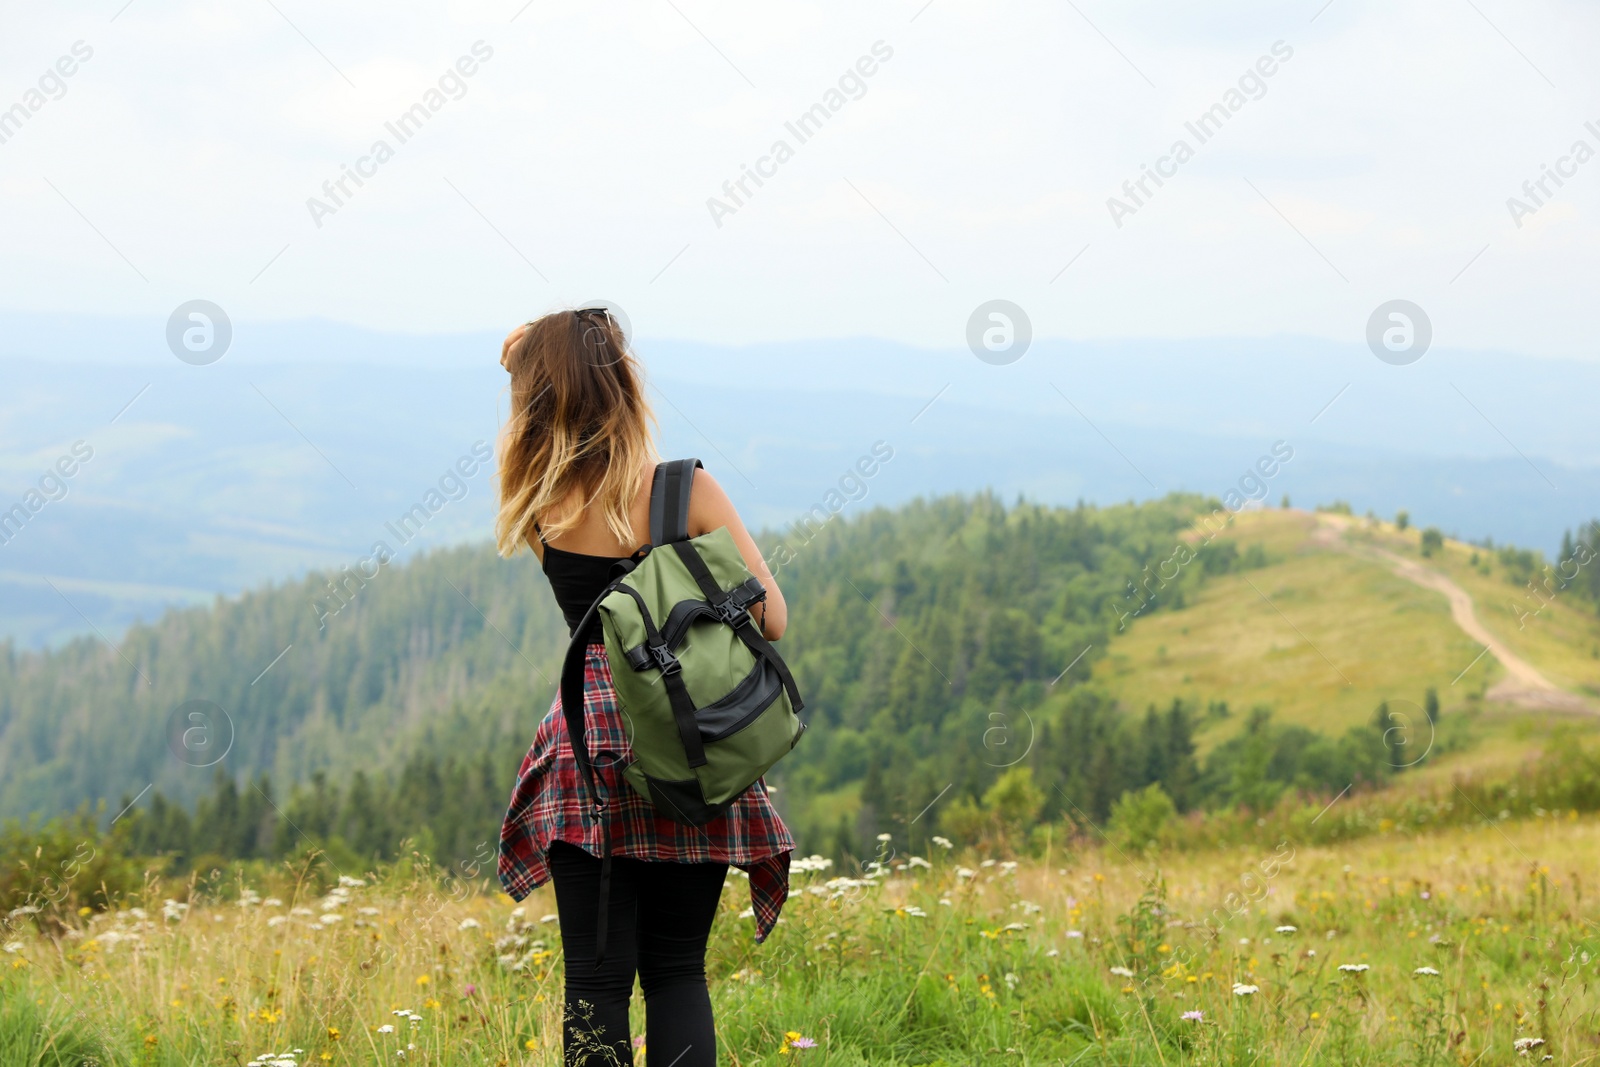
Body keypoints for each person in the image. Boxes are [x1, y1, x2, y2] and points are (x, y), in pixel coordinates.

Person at [495, 308, 794, 1067]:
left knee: (594, 984)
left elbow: (531, 389)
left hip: (587, 743)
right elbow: (776, 619)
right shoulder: (684, 491)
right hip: (689, 738)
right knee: (675, 969)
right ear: (626, 386)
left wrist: (528, 356)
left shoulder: (540, 503)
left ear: (539, 399)